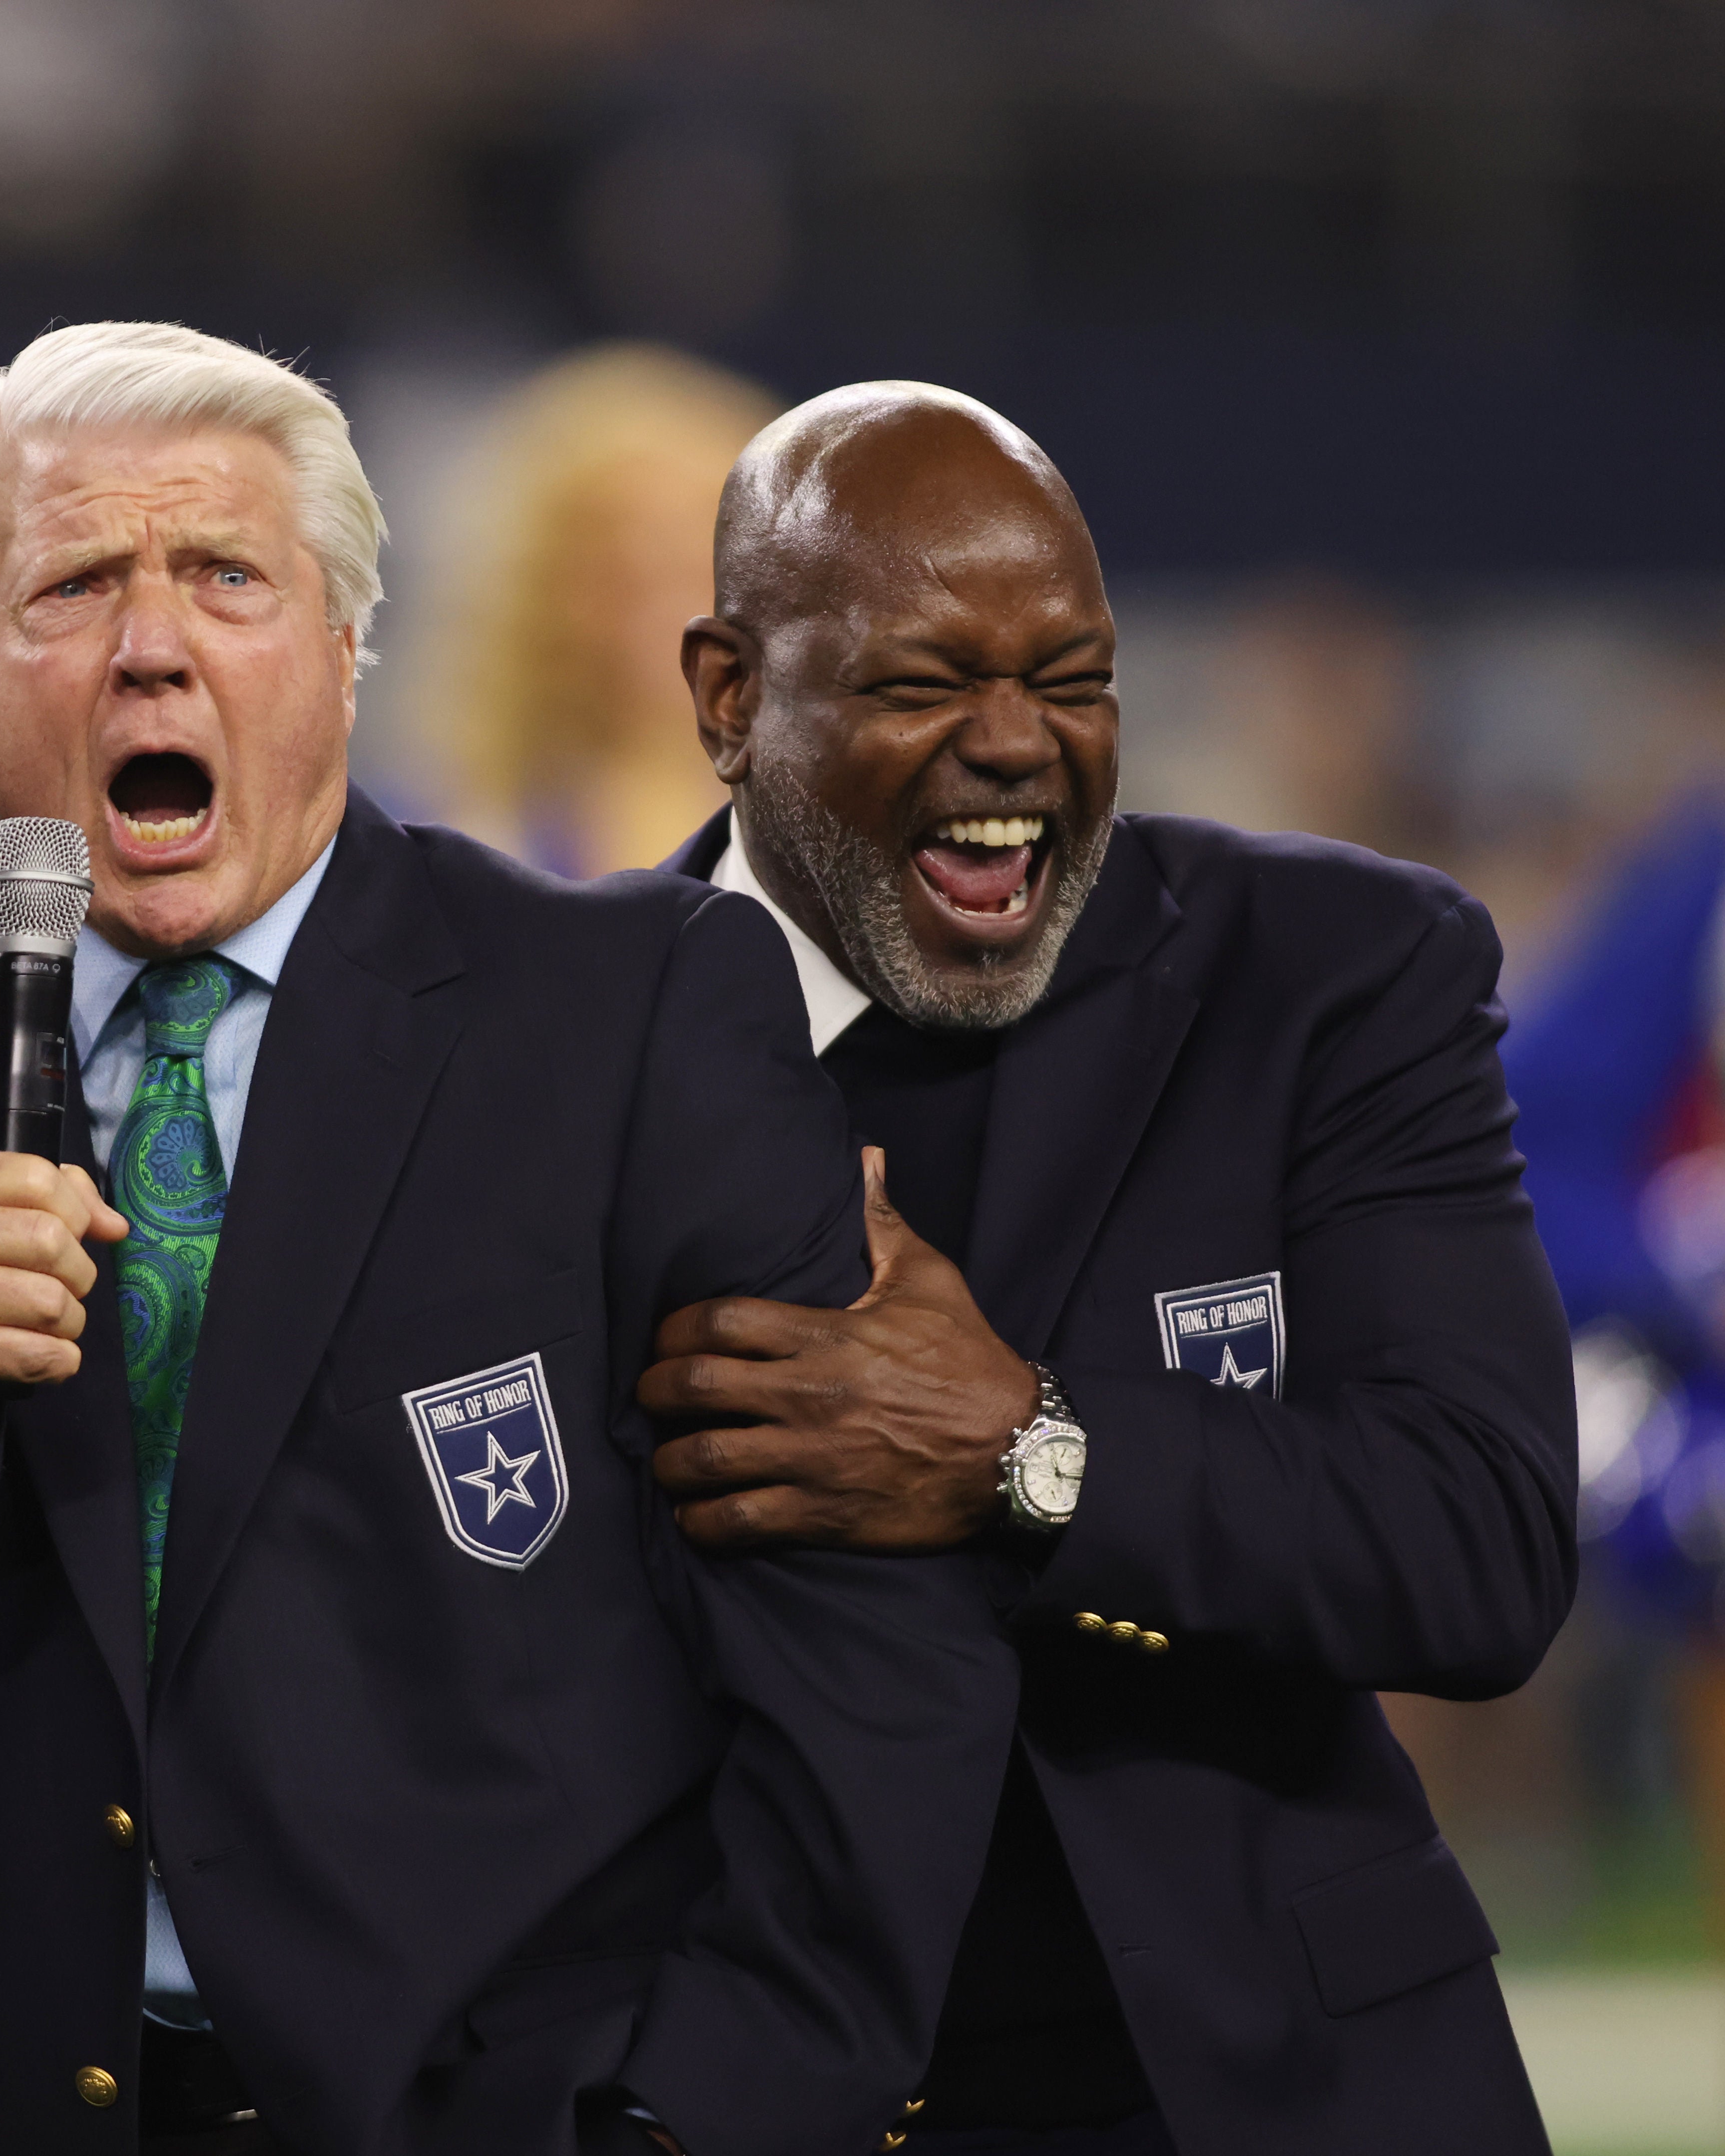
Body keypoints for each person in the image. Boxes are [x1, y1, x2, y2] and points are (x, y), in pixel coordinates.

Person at [0, 321, 1018, 2156]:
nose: (151, 639)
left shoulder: (630, 1011)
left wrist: (707, 2114)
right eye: (75, 580)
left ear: (343, 654)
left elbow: (866, 1654)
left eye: (227, 576)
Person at [637, 382, 1576, 2153]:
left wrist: (1031, 1449)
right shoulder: (559, 1037)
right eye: (923, 682)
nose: (1017, 745)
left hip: (1265, 2086)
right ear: (731, 692)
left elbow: (1482, 1544)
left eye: (1073, 680)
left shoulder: (1325, 974)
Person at [418, 344, 778, 874]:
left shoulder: (842, 858)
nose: (665, 617)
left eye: (693, 564)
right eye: (619, 575)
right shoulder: (455, 847)